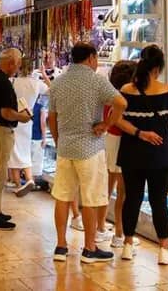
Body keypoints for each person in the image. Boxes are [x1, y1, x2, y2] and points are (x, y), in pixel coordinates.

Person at [48, 42, 126, 264]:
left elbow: (51, 117)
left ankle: (61, 246)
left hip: (65, 148)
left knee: (62, 197)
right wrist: (106, 124)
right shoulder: (97, 81)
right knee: (91, 199)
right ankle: (90, 248)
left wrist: (58, 139)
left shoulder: (58, 82)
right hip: (90, 148)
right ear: (91, 57)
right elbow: (121, 102)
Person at [115, 46, 168, 265]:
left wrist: (140, 133)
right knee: (159, 202)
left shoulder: (127, 89)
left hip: (131, 152)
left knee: (132, 199)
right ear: (158, 68)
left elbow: (117, 119)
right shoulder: (166, 90)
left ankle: (128, 245)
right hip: (159, 154)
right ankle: (164, 249)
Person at [0, 48, 32, 231]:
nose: (17, 69)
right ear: (10, 63)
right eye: (17, 65)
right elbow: (6, 112)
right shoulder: (2, 82)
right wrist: (22, 117)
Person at [104, 60, 137, 248]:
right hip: (123, 144)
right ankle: (119, 232)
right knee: (123, 192)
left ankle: (101, 228)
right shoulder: (125, 99)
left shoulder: (109, 96)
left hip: (109, 142)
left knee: (106, 190)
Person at [9, 59, 49, 197]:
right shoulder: (37, 84)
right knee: (25, 151)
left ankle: (18, 184)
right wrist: (44, 75)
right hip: (28, 119)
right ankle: (30, 179)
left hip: (15, 118)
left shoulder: (13, 82)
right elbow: (53, 91)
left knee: (14, 151)